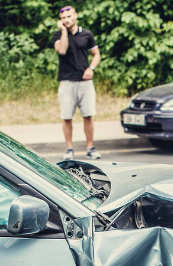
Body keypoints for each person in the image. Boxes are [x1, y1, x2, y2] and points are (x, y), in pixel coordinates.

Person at [52, 5, 102, 160]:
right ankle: (69, 149)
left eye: (69, 16)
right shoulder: (58, 35)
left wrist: (91, 68)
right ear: (61, 21)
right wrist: (64, 31)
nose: (66, 20)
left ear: (75, 16)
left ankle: (90, 148)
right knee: (66, 117)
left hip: (85, 82)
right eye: (63, 18)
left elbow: (96, 54)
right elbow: (62, 50)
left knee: (88, 115)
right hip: (67, 82)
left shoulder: (87, 34)